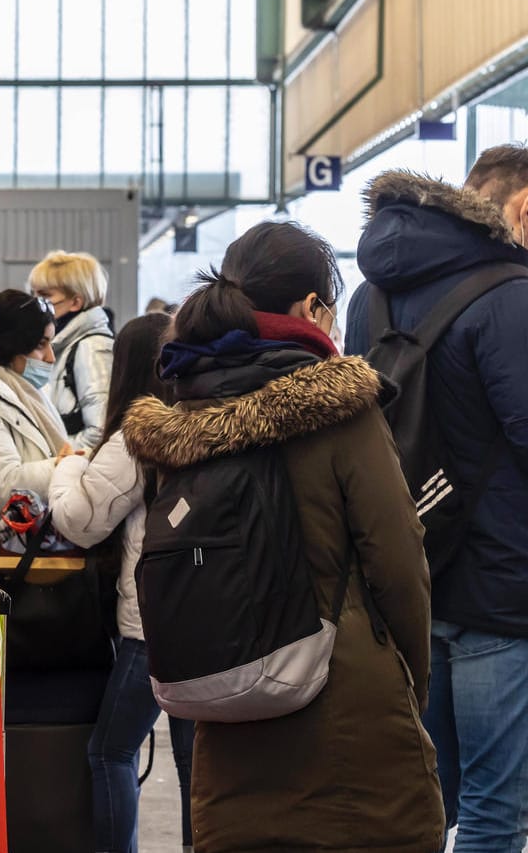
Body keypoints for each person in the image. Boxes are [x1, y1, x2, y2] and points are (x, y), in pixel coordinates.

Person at [122, 221, 444, 852]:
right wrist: (410, 681)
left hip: (225, 719)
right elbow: (399, 557)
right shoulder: (340, 407)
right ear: (310, 308)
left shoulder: (185, 411)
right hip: (349, 716)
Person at [345, 146, 528, 852]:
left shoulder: (374, 296)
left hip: (409, 574)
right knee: (494, 808)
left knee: (427, 797)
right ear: (527, 208)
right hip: (501, 580)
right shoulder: (511, 292)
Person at [48, 312, 194, 853]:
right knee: (193, 766)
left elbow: (82, 522)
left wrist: (68, 465)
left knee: (109, 751)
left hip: (148, 627)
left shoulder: (136, 435)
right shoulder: (197, 417)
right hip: (203, 614)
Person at [0, 289, 71, 515]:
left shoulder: (33, 393)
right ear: (11, 345)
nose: (51, 357)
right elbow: (1, 484)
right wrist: (63, 467)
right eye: (41, 345)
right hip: (10, 541)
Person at [28, 251, 114, 450]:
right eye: (33, 294)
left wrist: (53, 456)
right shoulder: (62, 344)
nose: (36, 303)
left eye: (45, 296)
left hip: (72, 474)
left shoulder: (92, 347)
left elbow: (100, 430)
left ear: (76, 302)